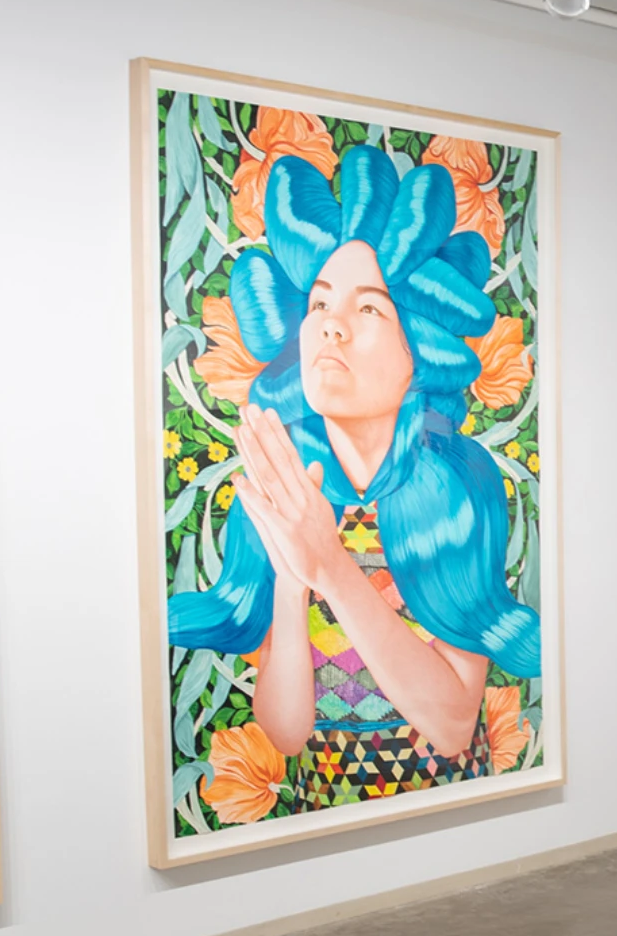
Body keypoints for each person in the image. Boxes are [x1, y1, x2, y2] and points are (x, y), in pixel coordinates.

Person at [168, 143, 540, 813]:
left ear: (419, 346)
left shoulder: (457, 485)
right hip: (320, 834)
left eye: (368, 309)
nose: (331, 327)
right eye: (318, 304)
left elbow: (455, 723)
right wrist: (291, 568)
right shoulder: (283, 495)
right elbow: (285, 732)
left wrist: (330, 565)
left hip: (454, 831)